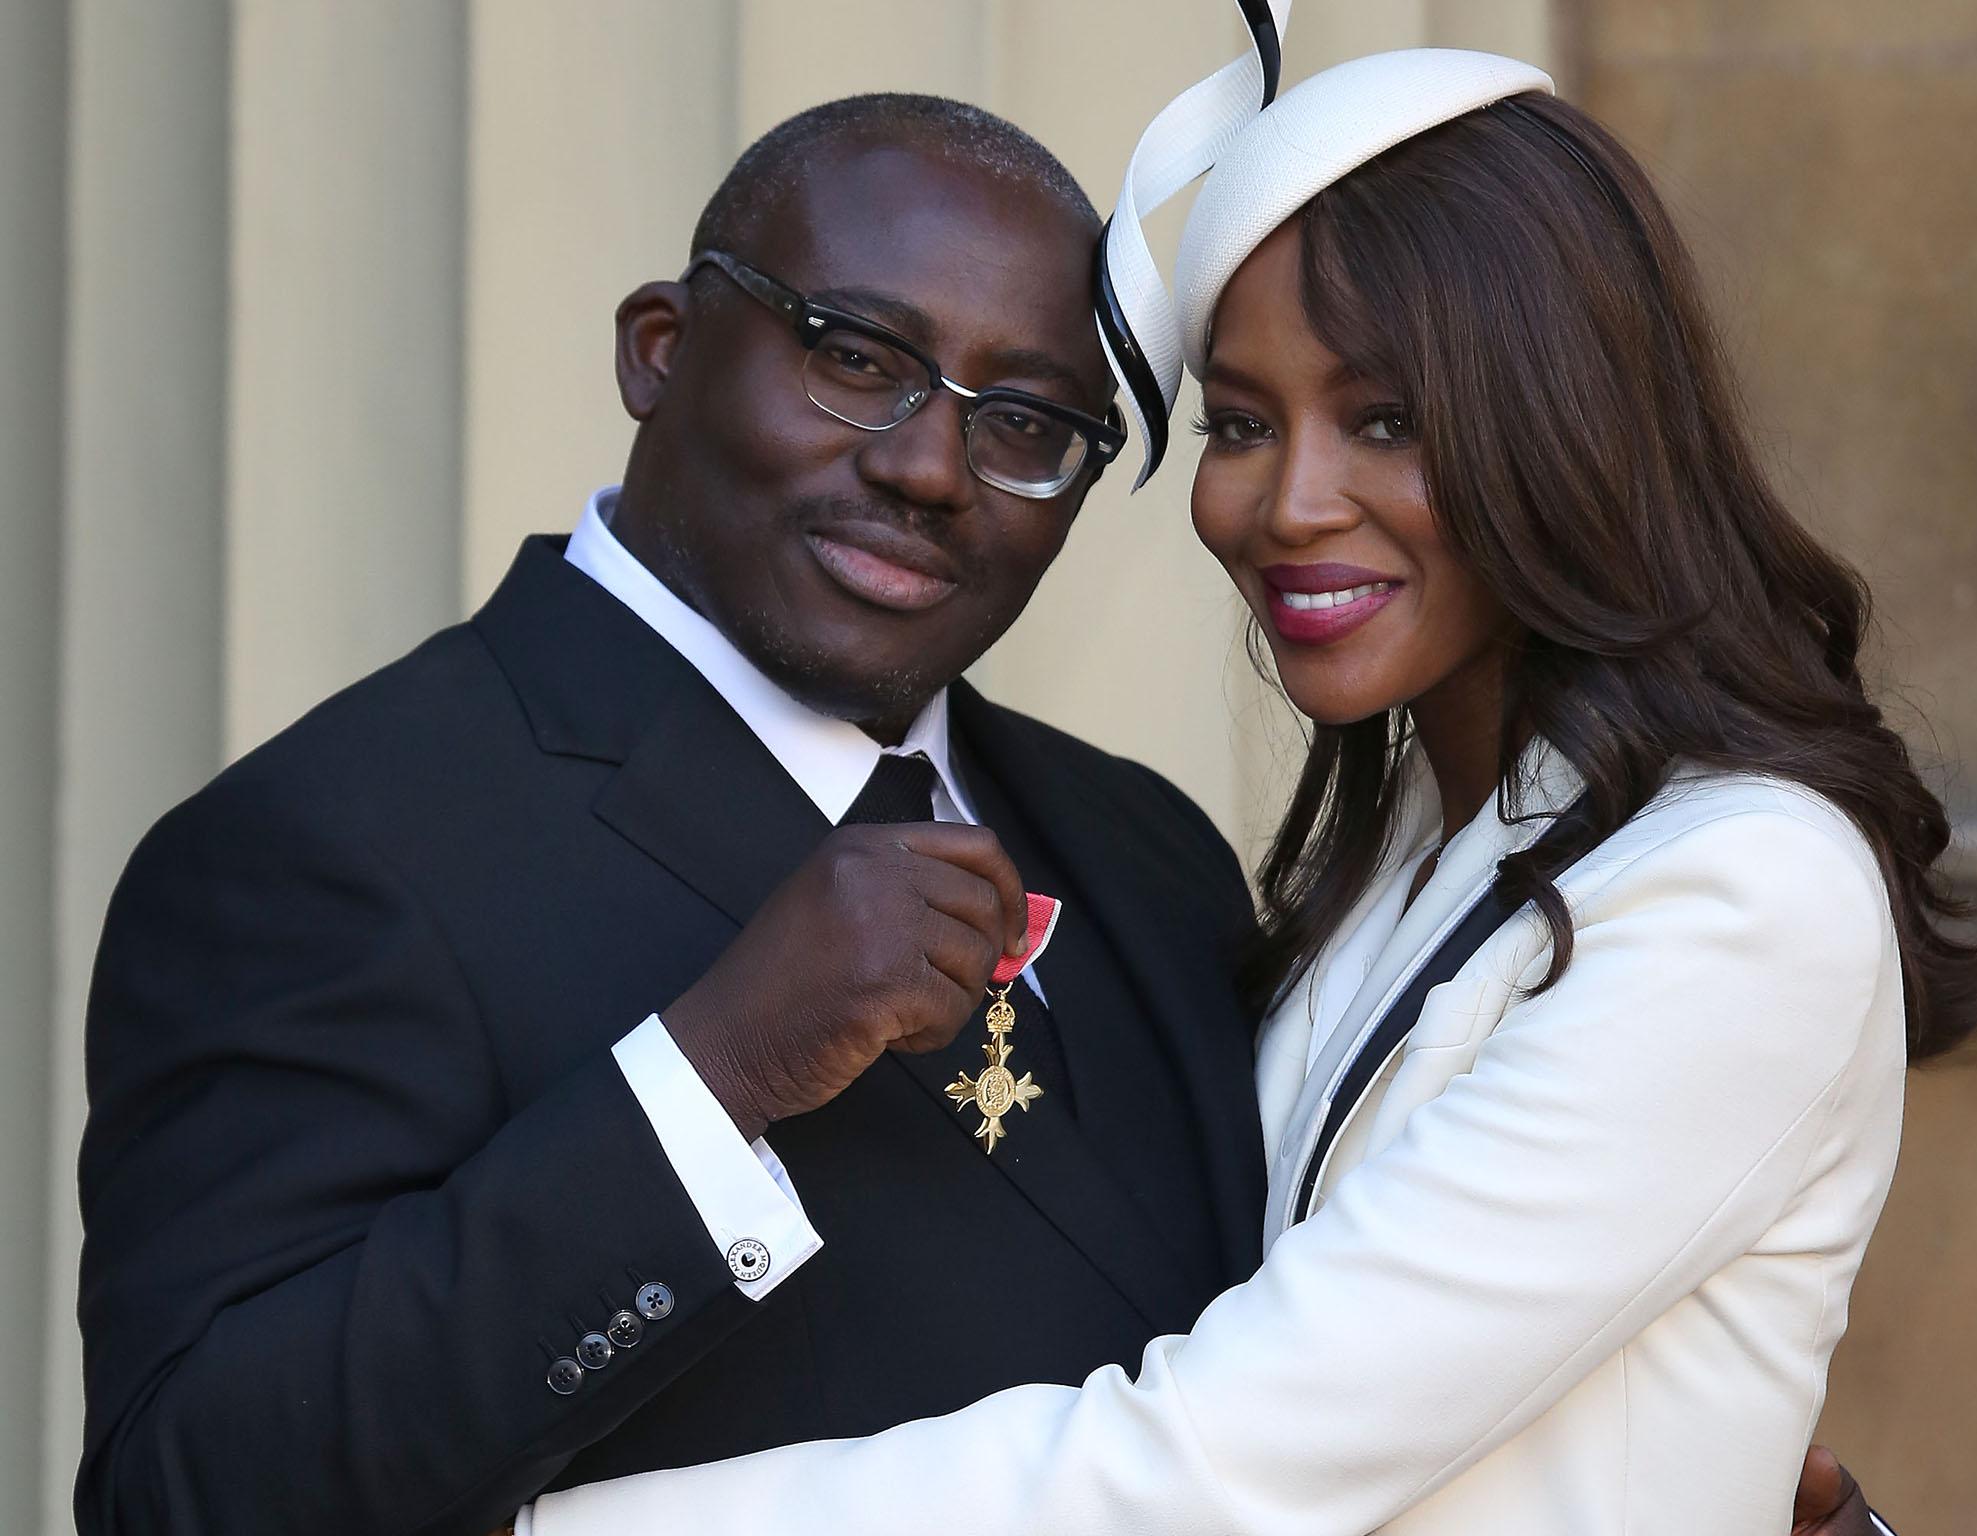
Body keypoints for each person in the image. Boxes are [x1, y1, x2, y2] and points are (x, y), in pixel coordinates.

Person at [514, 47, 1977, 1536]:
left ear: (1568, 424)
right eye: (1239, 422)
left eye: (1388, 419)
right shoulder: (1421, 844)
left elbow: (1213, 1472)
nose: (1286, 506)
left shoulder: (1741, 889)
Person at [74, 95, 1267, 1536]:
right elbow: (191, 1493)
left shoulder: (1154, 854)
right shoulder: (325, 843)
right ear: (660, 349)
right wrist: (710, 1081)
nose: (930, 471)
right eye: (854, 358)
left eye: (1023, 425)